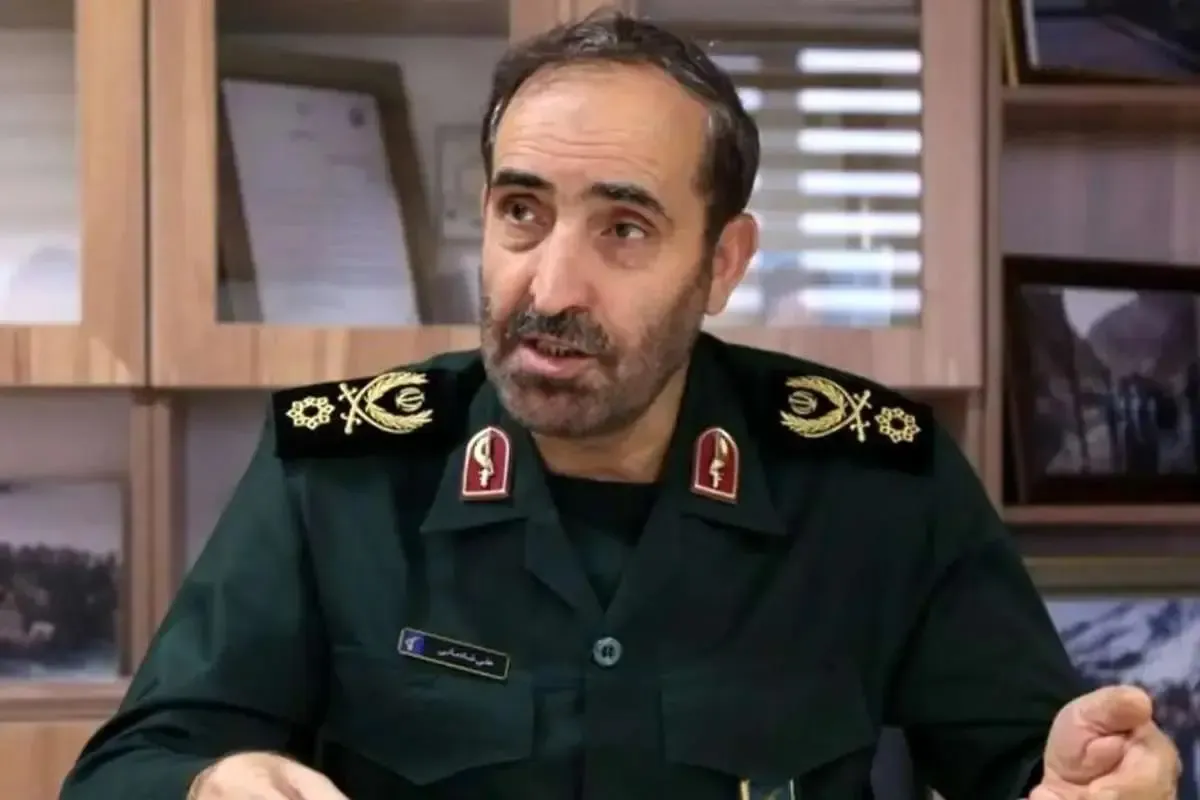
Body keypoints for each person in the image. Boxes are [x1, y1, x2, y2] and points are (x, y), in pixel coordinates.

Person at [60, 11, 1179, 800]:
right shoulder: (337, 471)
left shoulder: (878, 480)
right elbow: (128, 767)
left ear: (723, 262)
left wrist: (1092, 781)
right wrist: (210, 781)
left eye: (624, 228)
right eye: (521, 212)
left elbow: (1030, 764)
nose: (550, 288)